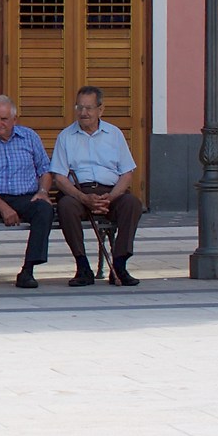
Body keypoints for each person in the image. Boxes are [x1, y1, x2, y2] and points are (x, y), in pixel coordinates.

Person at [51, 86, 144, 287]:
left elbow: (127, 173)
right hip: (79, 193)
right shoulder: (66, 137)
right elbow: (59, 177)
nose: (83, 113)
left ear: (100, 110)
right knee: (65, 206)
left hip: (110, 193)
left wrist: (110, 198)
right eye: (79, 107)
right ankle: (82, 266)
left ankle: (119, 264)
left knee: (132, 204)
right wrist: (84, 198)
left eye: (89, 108)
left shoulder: (114, 134)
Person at [0, 96, 53, 289]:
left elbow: (45, 170)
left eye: (4, 119)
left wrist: (43, 191)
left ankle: (28, 271)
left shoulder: (30, 137)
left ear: (14, 119)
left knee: (44, 209)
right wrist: (3, 207)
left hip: (25, 196)